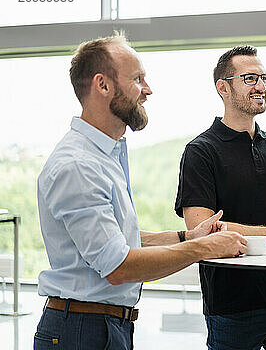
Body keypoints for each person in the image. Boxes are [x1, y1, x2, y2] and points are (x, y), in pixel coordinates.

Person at [34, 34, 247, 350]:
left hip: (103, 326)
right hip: (82, 331)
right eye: (137, 79)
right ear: (103, 85)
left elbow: (116, 238)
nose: (148, 90)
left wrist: (188, 238)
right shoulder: (78, 165)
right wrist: (206, 249)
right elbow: (119, 266)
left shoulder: (106, 155)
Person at [175, 45, 266, 349]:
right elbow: (201, 230)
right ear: (223, 87)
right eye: (249, 78)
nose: (261, 86)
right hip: (233, 306)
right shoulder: (200, 152)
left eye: (264, 78)